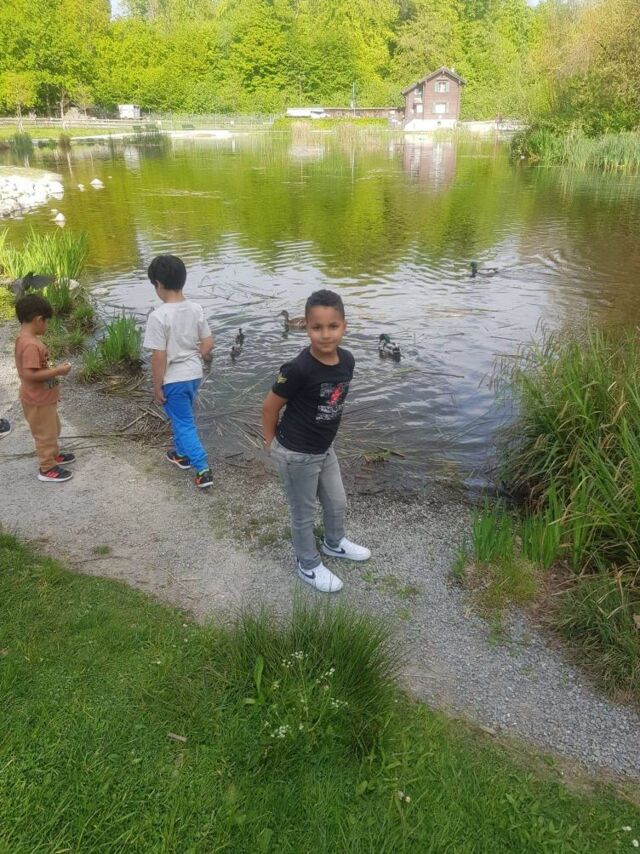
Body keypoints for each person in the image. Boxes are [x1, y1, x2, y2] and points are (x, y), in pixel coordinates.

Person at [262, 289, 371, 593]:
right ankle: (307, 563)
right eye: (317, 327)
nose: (325, 334)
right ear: (306, 328)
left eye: (333, 326)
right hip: (296, 453)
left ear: (344, 326)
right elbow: (269, 407)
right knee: (304, 513)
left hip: (324, 448)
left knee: (337, 501)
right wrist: (271, 444)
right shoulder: (298, 369)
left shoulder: (347, 361)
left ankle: (334, 543)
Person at [143, 254, 214, 489]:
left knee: (184, 423)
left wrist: (157, 386)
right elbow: (208, 343)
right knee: (180, 416)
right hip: (194, 375)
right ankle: (181, 455)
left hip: (173, 379)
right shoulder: (196, 308)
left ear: (158, 284)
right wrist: (194, 357)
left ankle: (202, 468)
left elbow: (159, 356)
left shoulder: (158, 316)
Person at [14, 294, 74, 482]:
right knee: (45, 435)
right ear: (38, 320)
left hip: (43, 398)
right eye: (46, 321)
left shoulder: (25, 339)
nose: (47, 326)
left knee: (53, 428)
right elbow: (30, 374)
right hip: (38, 400)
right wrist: (58, 371)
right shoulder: (30, 344)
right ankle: (47, 468)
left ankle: (53, 455)